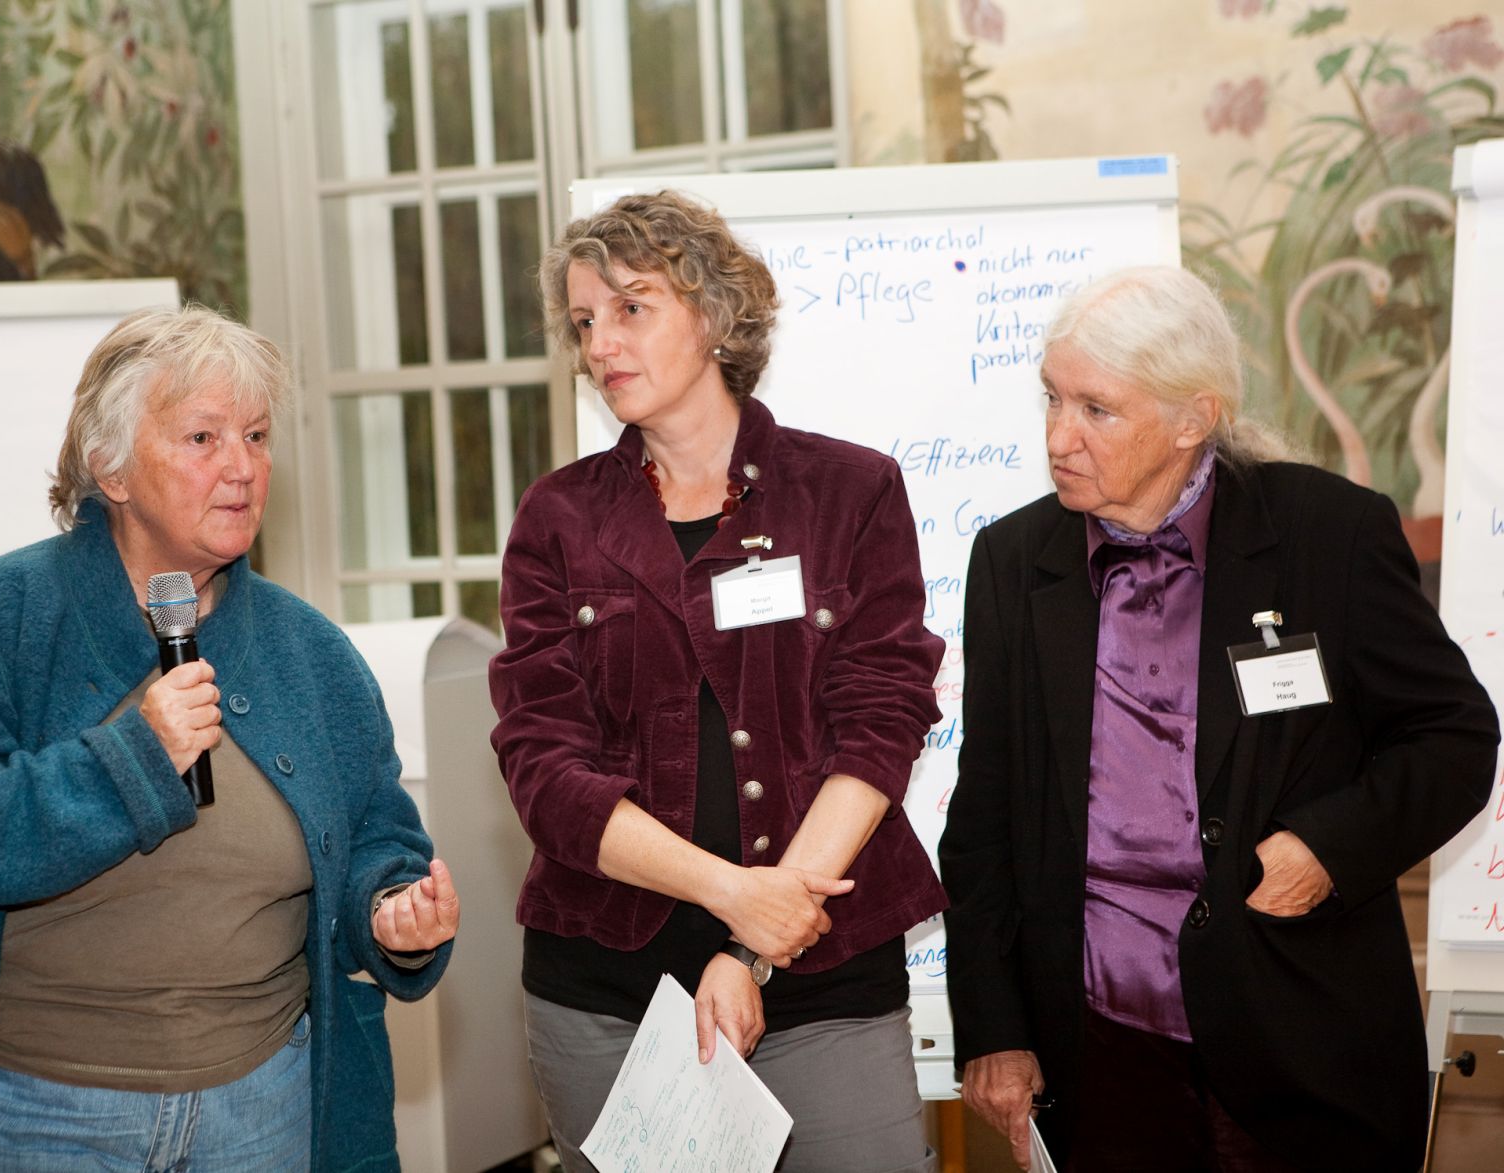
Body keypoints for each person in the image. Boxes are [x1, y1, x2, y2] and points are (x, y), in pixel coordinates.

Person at [0, 306, 459, 1172]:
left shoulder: (313, 653)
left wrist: (391, 912)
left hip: (265, 1107)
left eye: (256, 434)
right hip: (35, 1109)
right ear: (111, 466)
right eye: (204, 437)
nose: (242, 466)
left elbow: (377, 841)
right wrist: (131, 762)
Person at [940, 266, 1499, 1172]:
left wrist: (1327, 847)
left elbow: (1453, 737)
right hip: (1101, 1039)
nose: (1057, 436)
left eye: (1096, 409)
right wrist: (994, 1028)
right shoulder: (1013, 559)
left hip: (1300, 1028)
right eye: (1051, 399)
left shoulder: (1327, 535)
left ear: (1193, 418)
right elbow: (986, 813)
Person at [490, 191, 947, 1172]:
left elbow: (880, 716)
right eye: (582, 321)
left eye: (630, 308)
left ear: (709, 310)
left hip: (819, 974)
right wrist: (729, 893)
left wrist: (755, 940)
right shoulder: (556, 520)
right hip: (605, 992)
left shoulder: (849, 492)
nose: (599, 343)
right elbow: (542, 772)